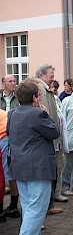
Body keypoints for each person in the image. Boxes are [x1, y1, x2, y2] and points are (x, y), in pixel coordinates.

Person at [6, 79, 60, 234]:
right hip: (37, 167)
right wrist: (48, 116)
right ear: (35, 97)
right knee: (37, 208)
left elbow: (10, 133)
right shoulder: (39, 113)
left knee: (29, 206)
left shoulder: (13, 112)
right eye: (39, 95)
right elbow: (54, 132)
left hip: (19, 166)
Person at [35, 64, 63, 215]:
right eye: (50, 76)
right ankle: (48, 205)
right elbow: (45, 115)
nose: (53, 79)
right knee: (51, 172)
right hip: (48, 138)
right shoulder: (42, 90)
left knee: (54, 170)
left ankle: (49, 203)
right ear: (41, 75)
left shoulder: (48, 90)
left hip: (52, 137)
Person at [0, 75, 20, 219]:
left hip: (15, 137)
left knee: (13, 172)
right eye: (10, 81)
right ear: (3, 84)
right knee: (2, 173)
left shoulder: (19, 98)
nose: (14, 83)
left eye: (15, 81)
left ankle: (13, 207)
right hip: (1, 137)